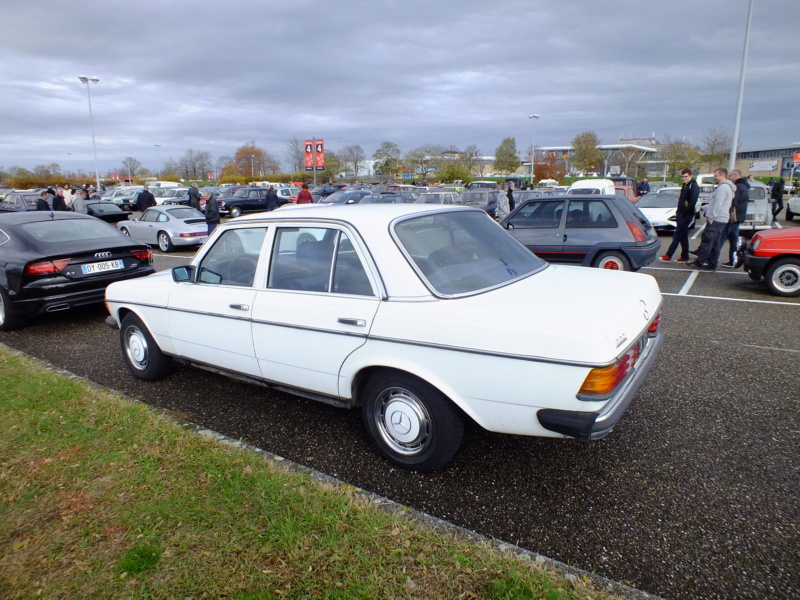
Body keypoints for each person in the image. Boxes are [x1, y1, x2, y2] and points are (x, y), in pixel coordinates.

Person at [688, 167, 735, 271]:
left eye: (716, 175)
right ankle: (712, 263)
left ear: (722, 175)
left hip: (717, 218)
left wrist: (712, 217)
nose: (714, 178)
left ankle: (700, 262)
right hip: (722, 218)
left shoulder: (723, 188)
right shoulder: (729, 187)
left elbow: (718, 203)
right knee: (715, 242)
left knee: (707, 240)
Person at [660, 168, 698, 263]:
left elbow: (692, 202)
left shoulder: (693, 186)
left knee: (677, 235)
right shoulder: (685, 185)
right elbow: (681, 200)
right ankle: (685, 256)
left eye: (686, 176)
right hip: (681, 213)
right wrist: (678, 212)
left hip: (686, 215)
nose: (684, 178)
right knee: (683, 235)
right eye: (682, 177)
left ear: (690, 176)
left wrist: (685, 213)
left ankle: (669, 255)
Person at [721, 169, 749, 268]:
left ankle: (712, 259)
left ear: (735, 175)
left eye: (730, 176)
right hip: (738, 217)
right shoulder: (745, 186)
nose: (729, 178)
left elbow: (733, 202)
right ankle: (733, 261)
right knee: (734, 240)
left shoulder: (738, 187)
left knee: (721, 238)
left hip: (732, 217)